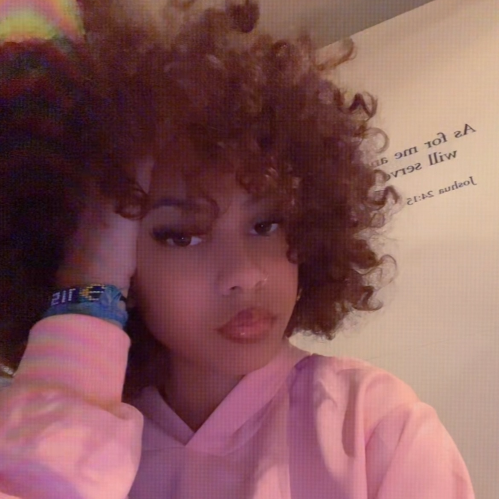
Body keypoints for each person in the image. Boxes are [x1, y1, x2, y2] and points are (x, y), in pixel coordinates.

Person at [0, 1, 475, 498]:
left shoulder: (375, 427)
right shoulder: (73, 438)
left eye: (267, 224)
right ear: (115, 261)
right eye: (182, 235)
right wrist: (87, 289)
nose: (245, 274)